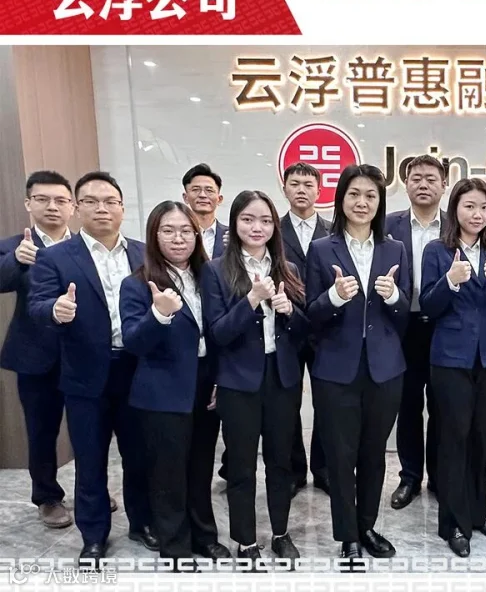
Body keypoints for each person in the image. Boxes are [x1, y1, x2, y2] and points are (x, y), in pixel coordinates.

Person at [28, 171, 156, 568]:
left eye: (110, 201)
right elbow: (36, 304)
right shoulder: (56, 256)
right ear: (77, 208)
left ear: (122, 208)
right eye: (91, 201)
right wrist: (55, 309)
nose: (102, 208)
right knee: (90, 458)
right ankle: (94, 534)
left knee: (140, 456)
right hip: (85, 375)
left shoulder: (144, 253)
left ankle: (142, 522)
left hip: (137, 371)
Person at [305, 164, 411, 560]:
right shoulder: (321, 249)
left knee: (373, 453)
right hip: (336, 370)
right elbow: (310, 314)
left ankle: (367, 525)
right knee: (339, 454)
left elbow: (404, 313)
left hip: (385, 369)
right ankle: (347, 535)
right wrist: (334, 297)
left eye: (370, 195)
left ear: (380, 202)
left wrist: (393, 296)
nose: (362, 202)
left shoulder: (394, 249)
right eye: (354, 194)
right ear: (341, 199)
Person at [200, 190, 308, 569]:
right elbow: (218, 333)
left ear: (274, 226)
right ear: (234, 224)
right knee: (242, 466)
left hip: (281, 378)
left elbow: (304, 332)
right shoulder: (216, 270)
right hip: (238, 381)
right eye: (247, 219)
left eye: (265, 220)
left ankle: (280, 533)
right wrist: (251, 299)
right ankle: (245, 540)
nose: (257, 227)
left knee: (281, 462)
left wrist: (290, 310)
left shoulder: (287, 268)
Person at [120, 201, 230, 571]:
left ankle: (204, 537)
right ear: (154, 236)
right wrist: (159, 313)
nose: (178, 238)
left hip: (204, 382)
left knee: (201, 467)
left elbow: (218, 334)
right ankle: (176, 547)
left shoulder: (209, 276)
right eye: (168, 230)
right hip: (162, 391)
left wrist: (218, 378)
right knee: (168, 474)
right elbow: (133, 342)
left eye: (186, 230)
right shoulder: (136, 284)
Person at [420, 177, 486, 557]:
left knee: (481, 437)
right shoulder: (436, 251)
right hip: (451, 358)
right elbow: (428, 306)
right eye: (469, 206)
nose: (477, 214)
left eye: (484, 207)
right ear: (455, 209)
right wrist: (450, 281)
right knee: (453, 439)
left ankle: (477, 511)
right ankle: (452, 522)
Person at [0, 171, 74, 529]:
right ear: (29, 203)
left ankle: (92, 489)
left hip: (83, 354)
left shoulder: (86, 245)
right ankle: (47, 497)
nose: (52, 207)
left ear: (72, 206)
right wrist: (16, 259)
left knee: (90, 429)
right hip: (35, 356)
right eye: (43, 199)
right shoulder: (16, 246)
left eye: (60, 200)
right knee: (41, 431)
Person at [386, 154, 448, 509]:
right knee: (407, 405)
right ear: (406, 184)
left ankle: (439, 476)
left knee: (442, 405)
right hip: (403, 327)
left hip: (444, 327)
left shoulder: (455, 225)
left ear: (444, 185)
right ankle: (409, 476)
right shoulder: (388, 225)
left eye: (430, 178)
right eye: (416, 178)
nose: (423, 184)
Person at [279, 162, 332, 498]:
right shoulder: (271, 229)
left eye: (308, 184)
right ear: (284, 188)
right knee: (287, 402)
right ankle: (294, 470)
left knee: (326, 401)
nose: (301, 190)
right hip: (286, 326)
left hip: (326, 328)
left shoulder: (333, 230)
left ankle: (323, 469)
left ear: (319, 190)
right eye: (295, 183)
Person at [182, 163, 228, 259]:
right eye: (196, 190)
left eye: (209, 190)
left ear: (219, 199)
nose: (202, 195)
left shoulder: (232, 236)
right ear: (186, 197)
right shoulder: (178, 235)